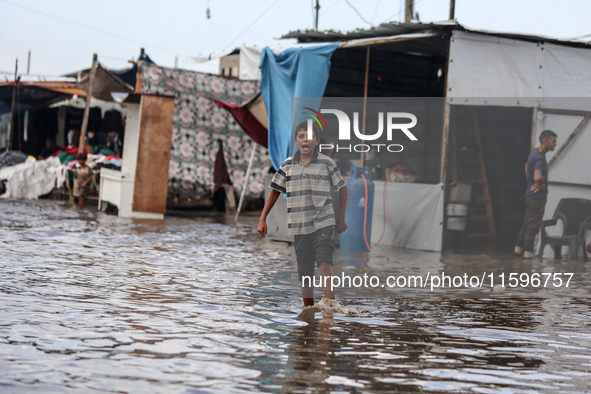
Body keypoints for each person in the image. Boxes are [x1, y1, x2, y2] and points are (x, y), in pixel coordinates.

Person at [258, 121, 348, 307]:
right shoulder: (288, 166)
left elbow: (342, 188)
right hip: (299, 224)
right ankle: (308, 308)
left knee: (324, 258)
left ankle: (330, 303)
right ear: (296, 141)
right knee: (305, 268)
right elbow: (274, 191)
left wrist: (340, 218)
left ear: (317, 140)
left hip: (324, 221)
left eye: (309, 137)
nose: (305, 140)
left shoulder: (326, 163)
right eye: (301, 136)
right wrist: (262, 218)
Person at [514, 130, 558, 259]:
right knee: (532, 228)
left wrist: (530, 182)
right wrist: (540, 182)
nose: (555, 144)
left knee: (526, 224)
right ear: (545, 141)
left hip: (529, 194)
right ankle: (528, 257)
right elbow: (537, 175)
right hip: (537, 198)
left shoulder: (534, 153)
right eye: (553, 141)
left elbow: (527, 166)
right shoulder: (540, 158)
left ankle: (517, 252)